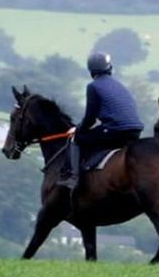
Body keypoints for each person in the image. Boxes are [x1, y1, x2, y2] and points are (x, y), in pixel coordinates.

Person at [57, 52, 144, 192]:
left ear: (91, 70)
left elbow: (90, 118)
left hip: (116, 131)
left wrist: (77, 130)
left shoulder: (93, 86)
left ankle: (72, 177)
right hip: (135, 131)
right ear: (110, 68)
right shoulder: (119, 85)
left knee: (75, 140)